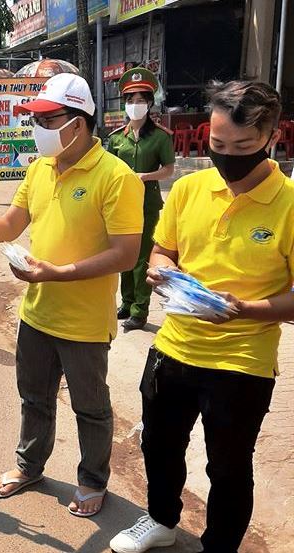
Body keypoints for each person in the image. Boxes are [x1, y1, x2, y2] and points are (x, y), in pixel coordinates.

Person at [0, 73, 144, 517]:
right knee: (34, 398)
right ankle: (30, 466)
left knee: (91, 407)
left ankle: (92, 481)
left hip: (84, 322)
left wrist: (57, 273)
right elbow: (9, 225)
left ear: (78, 123)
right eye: (35, 119)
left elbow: (125, 255)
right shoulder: (40, 168)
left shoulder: (117, 177)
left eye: (47, 119)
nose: (37, 128)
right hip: (37, 313)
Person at [110, 81, 294, 553]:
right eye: (217, 144)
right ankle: (160, 520)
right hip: (174, 347)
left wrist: (245, 309)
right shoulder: (190, 188)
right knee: (159, 444)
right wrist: (161, 272)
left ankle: (220, 546)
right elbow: (161, 251)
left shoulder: (290, 203)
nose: (228, 155)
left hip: (242, 361)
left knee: (229, 466)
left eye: (243, 146)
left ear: (271, 137)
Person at [108, 68, 175, 331]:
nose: (135, 105)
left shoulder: (160, 137)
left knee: (142, 258)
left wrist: (145, 176)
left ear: (149, 103)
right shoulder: (116, 139)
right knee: (123, 255)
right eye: (130, 100)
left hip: (147, 205)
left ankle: (140, 310)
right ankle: (126, 303)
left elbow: (169, 170)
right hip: (121, 204)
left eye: (140, 100)